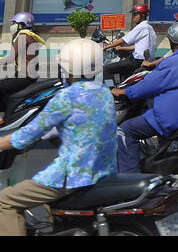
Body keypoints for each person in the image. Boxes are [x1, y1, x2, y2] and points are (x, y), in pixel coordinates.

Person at [0, 39, 116, 237]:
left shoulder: (66, 97)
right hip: (103, 170)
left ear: (67, 68)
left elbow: (28, 134)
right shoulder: (104, 94)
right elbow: (82, 128)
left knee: (5, 201)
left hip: (71, 175)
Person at [112, 21, 178, 171]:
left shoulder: (169, 63)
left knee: (125, 130)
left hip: (172, 119)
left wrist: (123, 92)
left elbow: (147, 86)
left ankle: (130, 179)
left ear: (171, 40)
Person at [102, 4, 156, 83]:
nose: (133, 17)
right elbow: (139, 46)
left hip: (137, 60)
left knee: (106, 69)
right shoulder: (150, 28)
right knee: (123, 72)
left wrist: (105, 47)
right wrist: (122, 48)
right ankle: (123, 88)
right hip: (146, 60)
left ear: (143, 15)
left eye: (135, 14)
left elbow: (123, 40)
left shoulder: (141, 27)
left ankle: (111, 90)